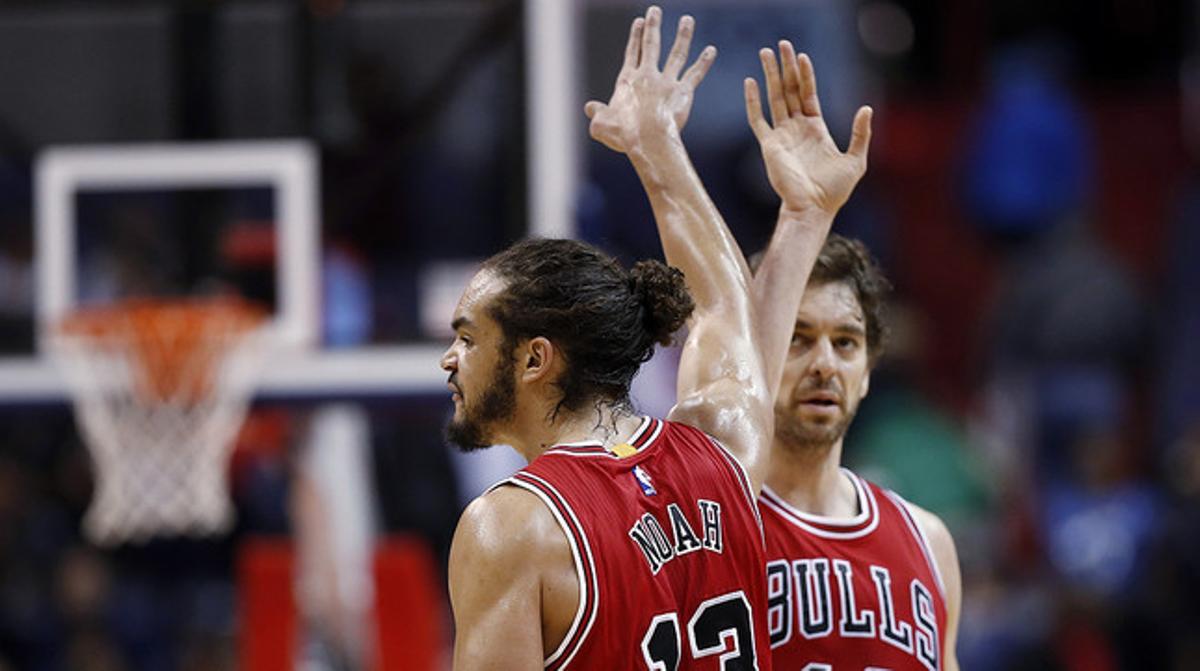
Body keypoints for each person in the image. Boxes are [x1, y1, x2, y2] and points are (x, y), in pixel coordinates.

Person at [443, 6, 870, 669]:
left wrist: (655, 146)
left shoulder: (512, 527)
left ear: (535, 358)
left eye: (469, 338)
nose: (450, 359)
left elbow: (724, 304)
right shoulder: (720, 446)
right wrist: (656, 146)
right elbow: (725, 303)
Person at [743, 48, 962, 668]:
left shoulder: (928, 542)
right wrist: (802, 218)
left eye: (845, 344)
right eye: (798, 338)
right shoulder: (712, 528)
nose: (823, 364)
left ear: (868, 372)